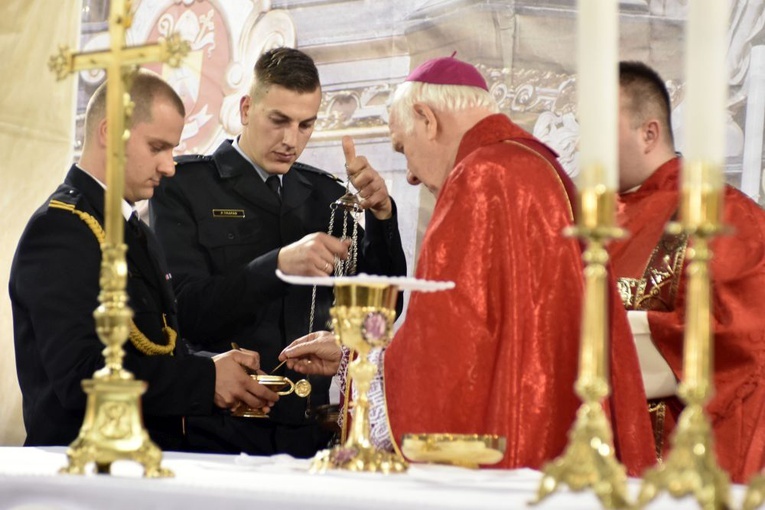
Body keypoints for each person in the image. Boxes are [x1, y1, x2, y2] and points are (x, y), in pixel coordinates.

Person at [280, 56, 656, 475]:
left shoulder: (479, 178)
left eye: (403, 149)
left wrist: (356, 355)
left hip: (510, 454)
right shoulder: (537, 166)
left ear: (427, 119)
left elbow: (448, 354)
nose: (410, 176)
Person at [149, 47, 407, 457]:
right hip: (218, 431)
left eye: (306, 125)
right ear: (247, 108)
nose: (292, 140)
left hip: (312, 431)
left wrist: (381, 215)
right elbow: (183, 310)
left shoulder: (325, 195)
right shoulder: (182, 187)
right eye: (279, 120)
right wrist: (278, 266)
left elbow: (379, 315)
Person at [9, 70, 278, 451]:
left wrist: (216, 366)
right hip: (82, 471)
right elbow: (81, 379)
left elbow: (153, 346)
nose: (169, 167)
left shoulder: (132, 228)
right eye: (157, 147)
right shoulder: (62, 230)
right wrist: (204, 378)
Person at [609, 60, 765, 483]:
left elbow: (742, 342)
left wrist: (618, 339)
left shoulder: (727, 214)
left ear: (649, 133)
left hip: (676, 454)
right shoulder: (592, 218)